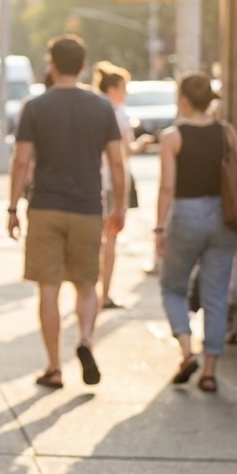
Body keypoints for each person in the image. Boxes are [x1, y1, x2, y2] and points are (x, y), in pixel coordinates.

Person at [9, 34, 125, 389]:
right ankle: (86, 340)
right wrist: (120, 206)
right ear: (85, 66)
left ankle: (54, 366)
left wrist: (13, 206)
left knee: (49, 288)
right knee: (87, 284)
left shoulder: (35, 106)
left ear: (52, 65)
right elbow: (118, 164)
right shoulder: (102, 106)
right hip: (89, 207)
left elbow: (21, 161)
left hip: (45, 206)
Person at [155, 72, 237, 392]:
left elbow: (166, 187)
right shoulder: (226, 132)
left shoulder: (172, 137)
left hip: (186, 215)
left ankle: (187, 351)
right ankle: (209, 371)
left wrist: (160, 227)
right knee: (216, 295)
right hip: (223, 216)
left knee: (172, 287)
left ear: (184, 100)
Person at [93, 62, 135, 310]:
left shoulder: (92, 109)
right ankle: (104, 294)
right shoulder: (118, 113)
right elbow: (123, 154)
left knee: (95, 241)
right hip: (112, 184)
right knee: (110, 241)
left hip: (93, 181)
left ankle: (91, 291)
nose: (126, 92)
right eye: (124, 87)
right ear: (114, 87)